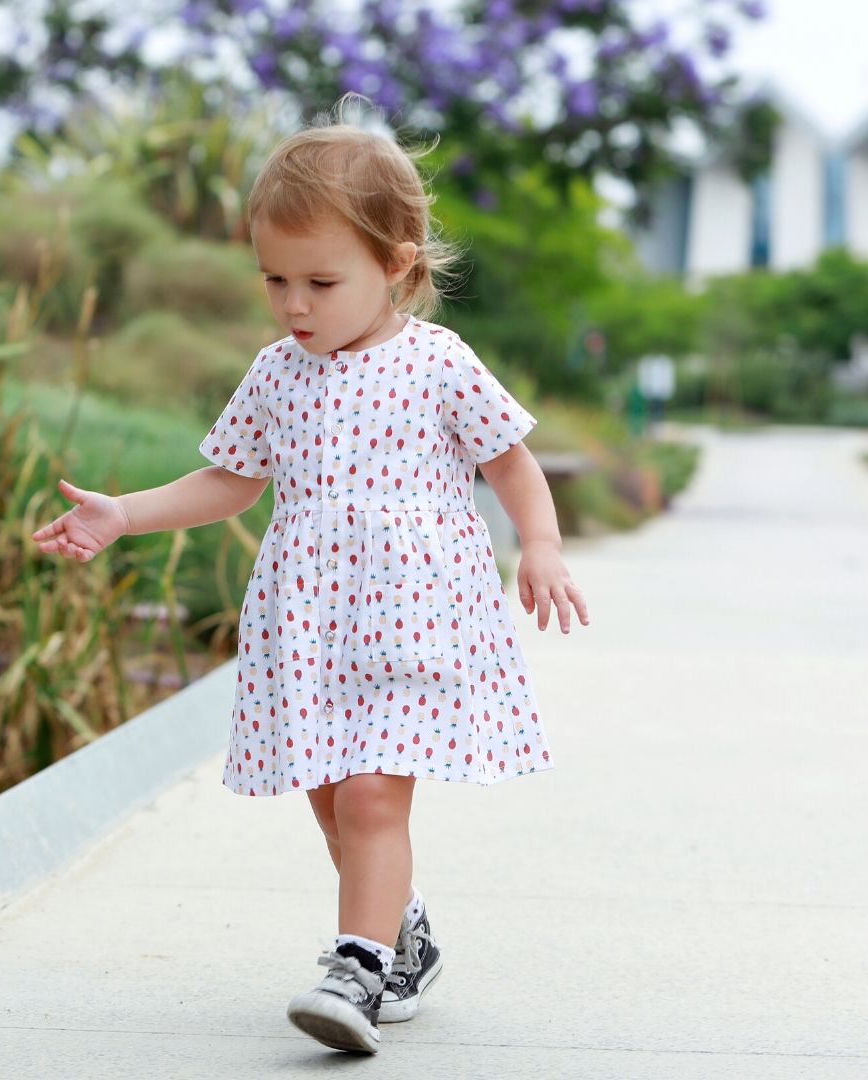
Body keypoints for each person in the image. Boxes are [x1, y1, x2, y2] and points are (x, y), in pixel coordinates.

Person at [31, 95, 589, 1056]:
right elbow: (231, 480)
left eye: (321, 282)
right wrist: (126, 513)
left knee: (374, 795)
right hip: (312, 620)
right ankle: (402, 935)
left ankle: (356, 970)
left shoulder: (438, 363)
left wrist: (539, 542)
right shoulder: (276, 372)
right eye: (275, 279)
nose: (294, 305)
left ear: (396, 267)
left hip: (414, 612)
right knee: (331, 797)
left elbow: (509, 460)